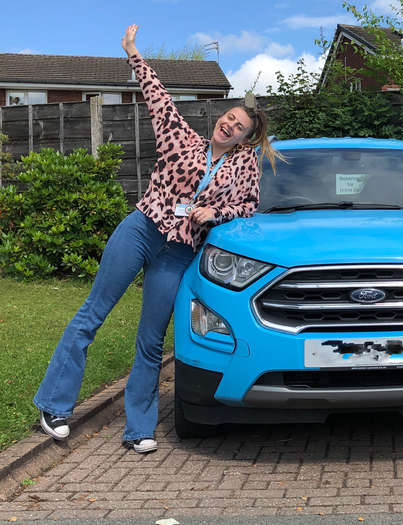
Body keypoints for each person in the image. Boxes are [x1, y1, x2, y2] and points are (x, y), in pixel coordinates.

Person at [33, 24, 281, 454]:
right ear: (219, 119)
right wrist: (133, 53)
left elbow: (247, 208)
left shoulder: (245, 168)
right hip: (141, 230)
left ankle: (139, 429)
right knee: (93, 313)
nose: (229, 124)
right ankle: (54, 405)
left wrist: (215, 212)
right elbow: (158, 97)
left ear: (245, 137)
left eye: (238, 125)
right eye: (228, 117)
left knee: (152, 339)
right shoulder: (182, 138)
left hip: (179, 251)